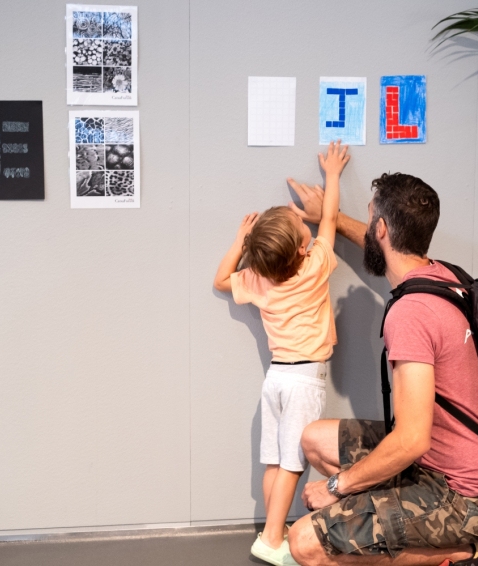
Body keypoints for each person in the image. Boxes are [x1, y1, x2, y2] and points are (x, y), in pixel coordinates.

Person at [284, 174, 478, 566]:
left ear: (383, 228)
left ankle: (472, 552)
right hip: (442, 463)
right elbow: (380, 243)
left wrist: (337, 488)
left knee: (303, 542)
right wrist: (332, 216)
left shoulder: (411, 313)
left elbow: (411, 440)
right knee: (314, 439)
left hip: (462, 497)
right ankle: (385, 520)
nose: (369, 227)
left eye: (372, 220)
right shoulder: (447, 276)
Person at [213, 141, 351, 566]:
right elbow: (328, 219)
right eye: (298, 227)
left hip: (275, 379)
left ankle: (270, 532)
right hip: (305, 379)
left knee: (275, 460)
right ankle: (274, 539)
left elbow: (221, 281)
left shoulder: (257, 280)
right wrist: (332, 175)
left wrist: (240, 241)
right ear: (300, 250)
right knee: (293, 463)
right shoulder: (315, 267)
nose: (304, 224)